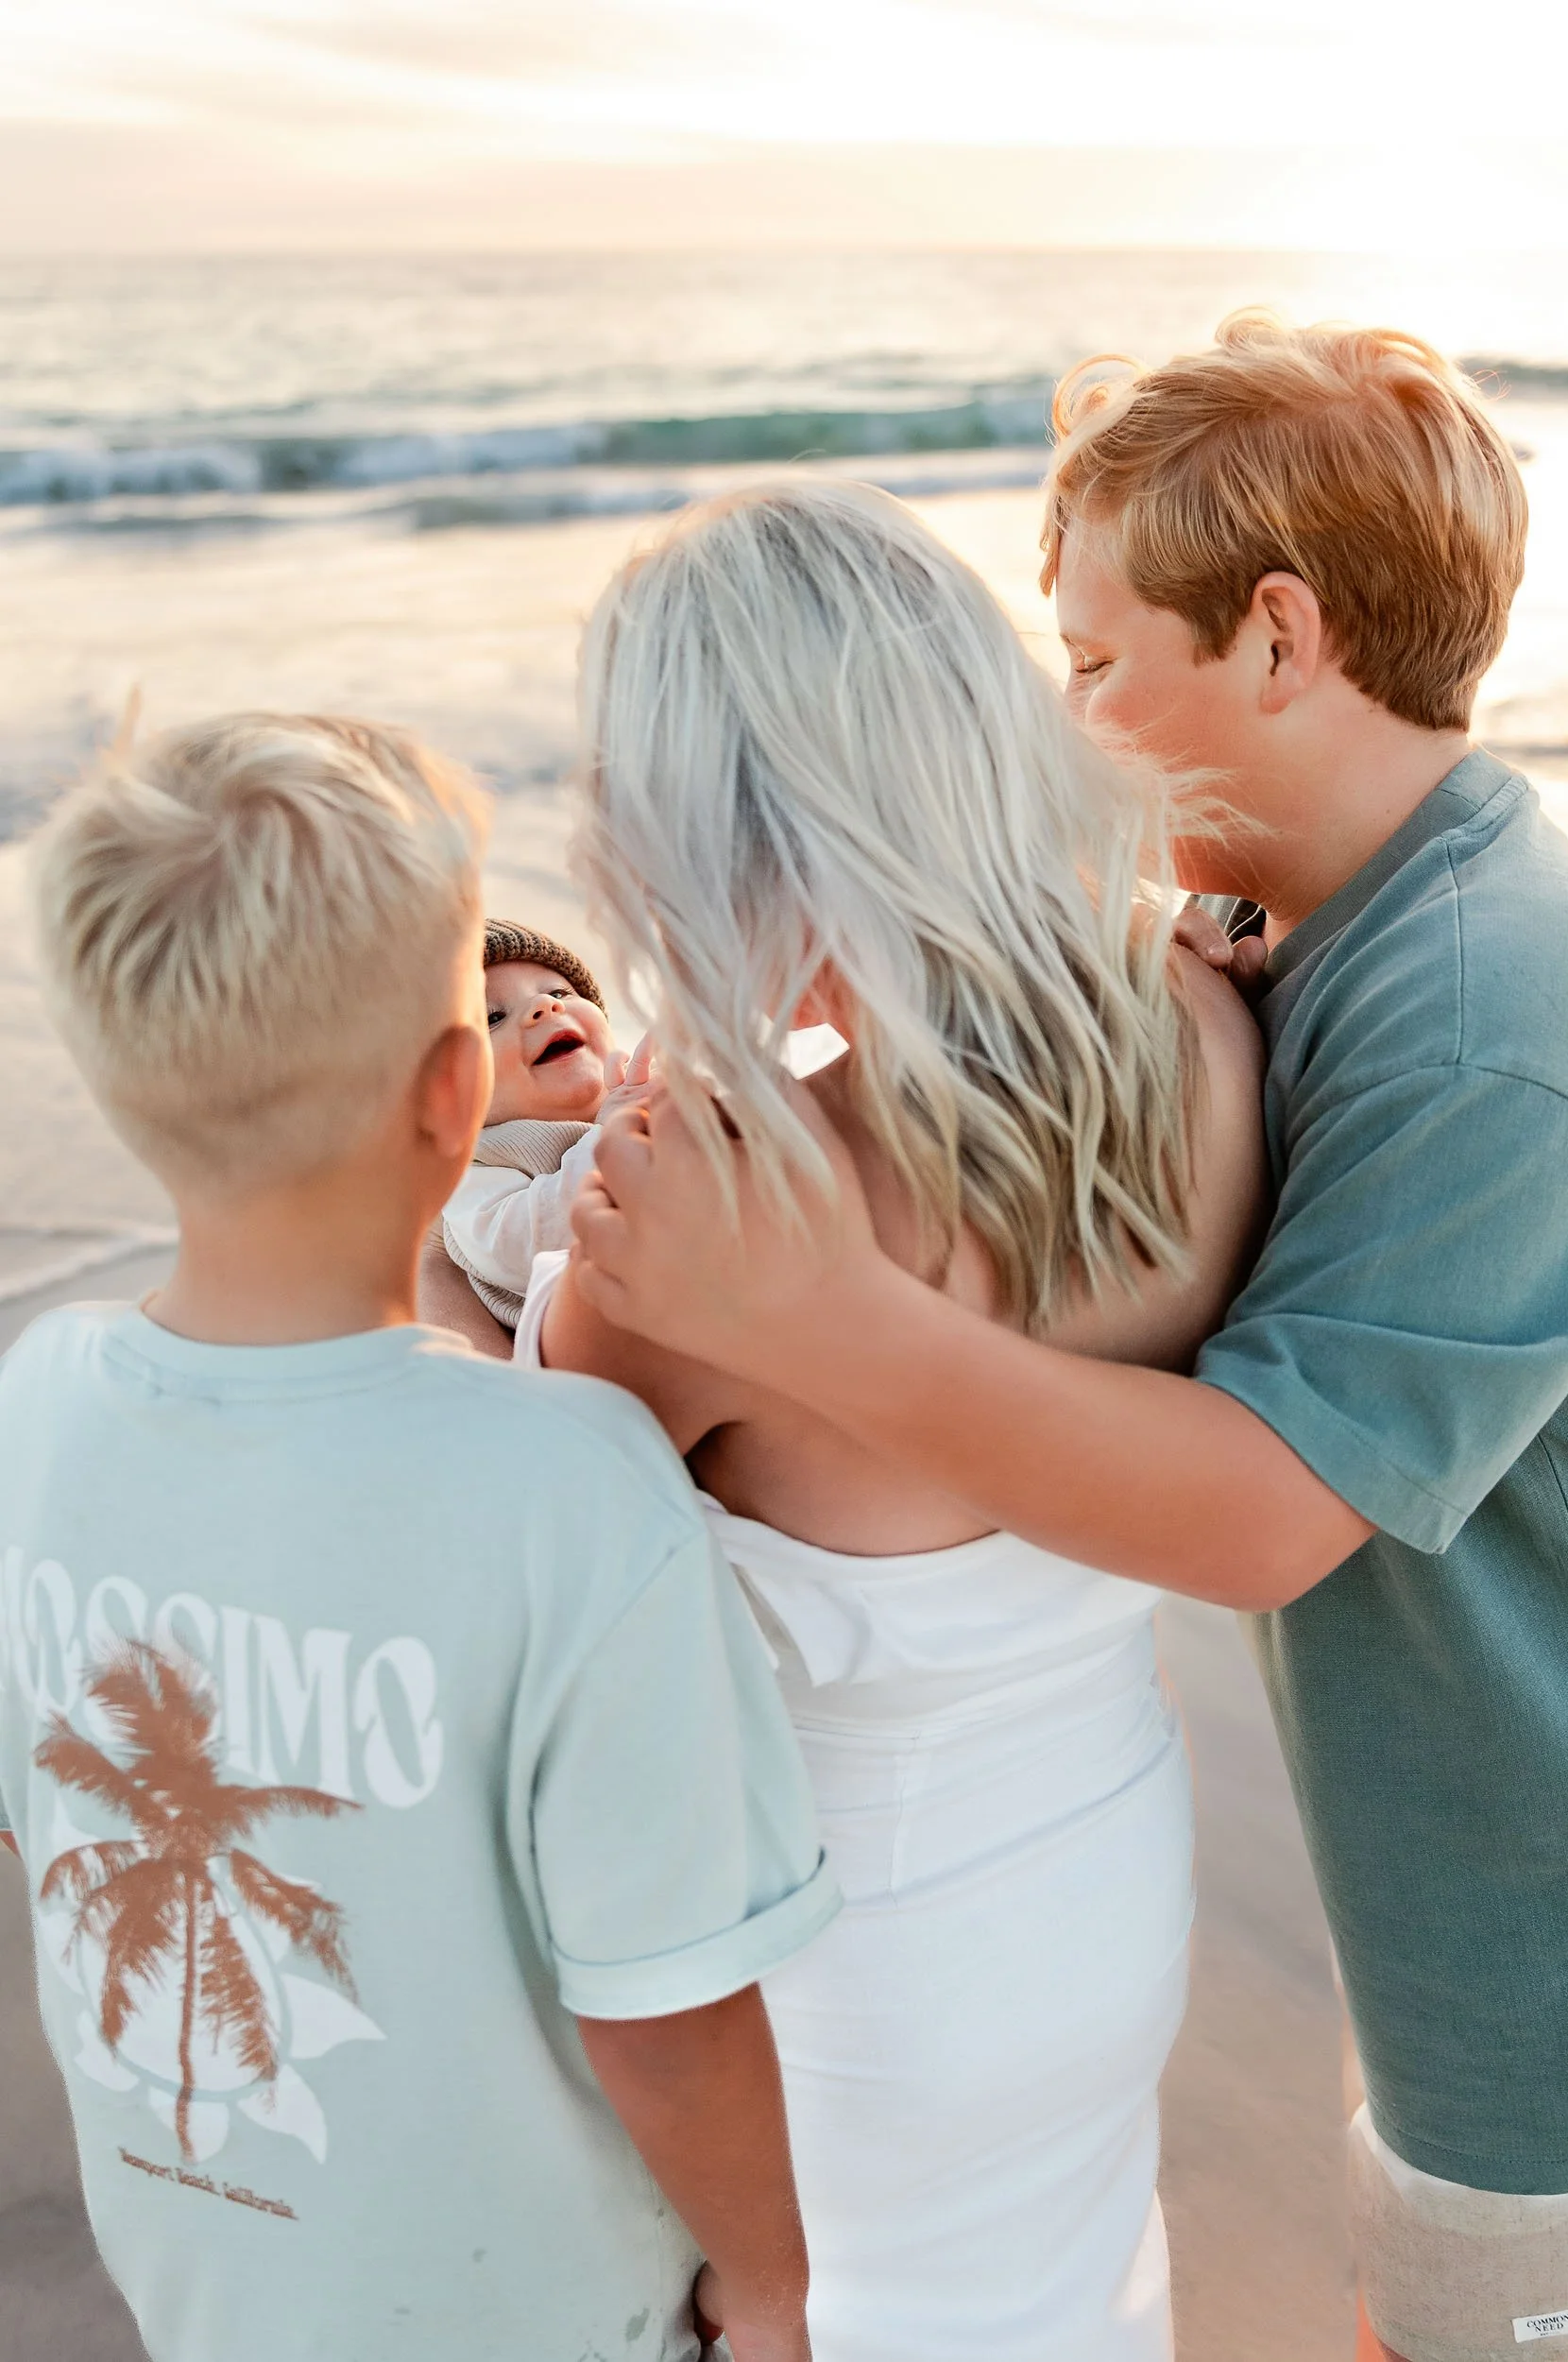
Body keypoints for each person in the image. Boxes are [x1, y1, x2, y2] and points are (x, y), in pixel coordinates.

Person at [570, 319, 1568, 2362]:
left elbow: (1267, 1514)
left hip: (1525, 1968)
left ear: (1278, 640)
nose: (1073, 724)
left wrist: (824, 1316)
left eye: (1101, 665)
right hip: (1316, 1916)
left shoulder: (1481, 1009)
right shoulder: (1268, 972)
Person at [426, 480, 1269, 2360]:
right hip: (1089, 1884)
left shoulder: (735, 1191)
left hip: (831, 1983)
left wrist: (420, 1256)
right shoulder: (1197, 1029)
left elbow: (482, 1544)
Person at [0, 712, 838, 2362]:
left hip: (209, 2280)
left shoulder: (36, 1401)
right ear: (458, 1090)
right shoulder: (567, 1484)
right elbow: (666, 2014)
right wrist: (774, 2290)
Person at [441, 919, 636, 1328]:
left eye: (559, 992)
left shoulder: (650, 1093)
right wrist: (613, 1142)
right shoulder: (475, 1165)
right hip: (601, 1343)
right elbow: (529, 1245)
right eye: (492, 1017)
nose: (545, 1007)